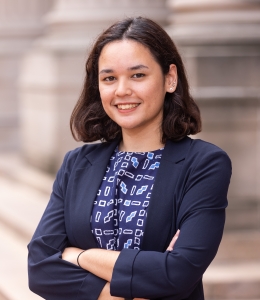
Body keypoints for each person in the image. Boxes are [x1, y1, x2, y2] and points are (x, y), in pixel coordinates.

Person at [27, 17, 232, 300]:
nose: (122, 90)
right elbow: (39, 269)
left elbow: (178, 273)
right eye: (109, 78)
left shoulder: (205, 164)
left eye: (138, 75)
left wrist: (80, 256)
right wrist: (135, 283)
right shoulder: (77, 163)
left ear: (170, 78)